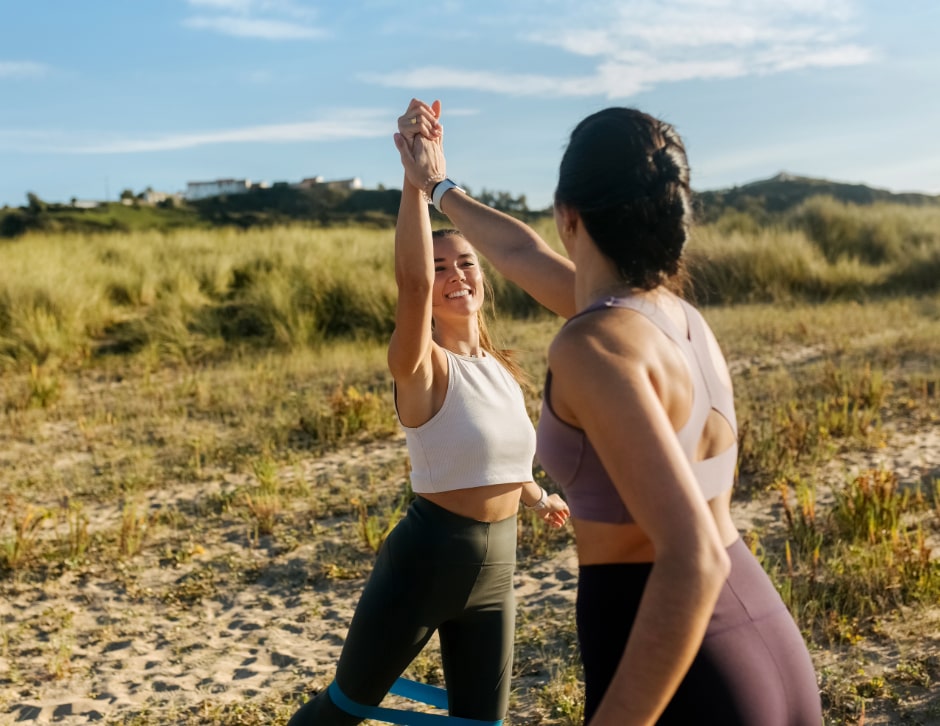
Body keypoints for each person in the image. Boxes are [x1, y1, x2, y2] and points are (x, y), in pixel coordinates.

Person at [395, 98, 823, 725]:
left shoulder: (591, 344)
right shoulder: (675, 320)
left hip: (677, 654)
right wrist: (436, 184)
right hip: (762, 632)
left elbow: (692, 557)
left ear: (569, 215)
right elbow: (522, 255)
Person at [286, 102, 570, 726]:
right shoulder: (421, 365)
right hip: (424, 564)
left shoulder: (499, 368)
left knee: (480, 725)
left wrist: (535, 495)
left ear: (484, 277)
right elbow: (410, 285)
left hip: (498, 569)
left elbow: (493, 454)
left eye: (467, 262)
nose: (455, 275)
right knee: (342, 711)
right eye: (442, 266)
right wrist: (417, 183)